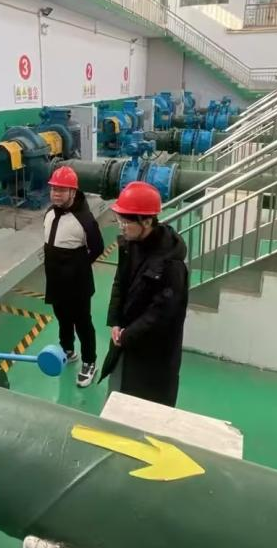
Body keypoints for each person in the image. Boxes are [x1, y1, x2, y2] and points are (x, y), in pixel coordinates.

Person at [98, 182, 189, 407]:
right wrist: (115, 322)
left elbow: (162, 315)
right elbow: (119, 282)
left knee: (144, 406)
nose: (121, 227)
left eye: (126, 222)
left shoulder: (171, 265)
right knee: (119, 393)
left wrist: (127, 335)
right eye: (119, 220)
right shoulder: (131, 244)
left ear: (147, 222)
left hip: (152, 354)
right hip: (126, 339)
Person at [43, 166, 105, 387]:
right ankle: (67, 350)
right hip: (55, 280)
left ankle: (89, 361)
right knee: (62, 318)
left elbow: (98, 247)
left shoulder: (85, 219)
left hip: (77, 283)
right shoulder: (50, 213)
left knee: (83, 323)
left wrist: (78, 266)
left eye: (61, 190)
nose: (56, 194)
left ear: (73, 192)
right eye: (53, 189)